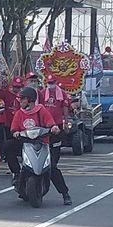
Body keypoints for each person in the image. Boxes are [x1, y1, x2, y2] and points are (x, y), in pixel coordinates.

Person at [10, 87, 71, 204]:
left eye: (23, 99)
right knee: (8, 147)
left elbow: (51, 123)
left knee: (52, 168)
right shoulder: (19, 113)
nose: (20, 101)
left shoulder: (41, 110)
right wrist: (15, 133)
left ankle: (65, 194)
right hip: (26, 144)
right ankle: (17, 174)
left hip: (43, 143)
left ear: (30, 100)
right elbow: (14, 128)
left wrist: (54, 128)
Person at [38, 76, 73, 205]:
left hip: (56, 129)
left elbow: (65, 109)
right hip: (42, 130)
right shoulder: (41, 94)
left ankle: (65, 193)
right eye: (49, 83)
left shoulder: (61, 94)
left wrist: (65, 122)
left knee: (51, 166)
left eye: (52, 83)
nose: (50, 85)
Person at [0, 77, 24, 183]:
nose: (16, 89)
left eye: (19, 87)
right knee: (8, 148)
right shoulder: (6, 94)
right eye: (15, 87)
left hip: (24, 128)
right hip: (10, 127)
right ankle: (16, 172)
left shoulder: (25, 97)